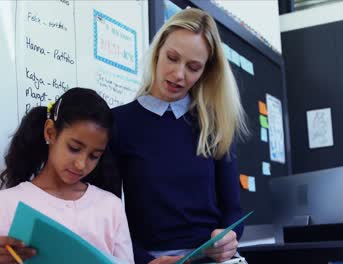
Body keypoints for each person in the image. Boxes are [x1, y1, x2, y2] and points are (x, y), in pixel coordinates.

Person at [109, 8, 249, 264]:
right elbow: (106, 216)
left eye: (194, 67)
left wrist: (228, 237)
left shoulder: (214, 125)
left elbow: (233, 211)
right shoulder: (118, 123)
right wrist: (144, 260)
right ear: (158, 50)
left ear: (206, 72)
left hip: (211, 259)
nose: (178, 75)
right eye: (172, 58)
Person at [0, 88, 134, 264]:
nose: (81, 164)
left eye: (94, 156)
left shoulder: (111, 207)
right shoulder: (8, 203)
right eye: (74, 148)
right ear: (50, 132)